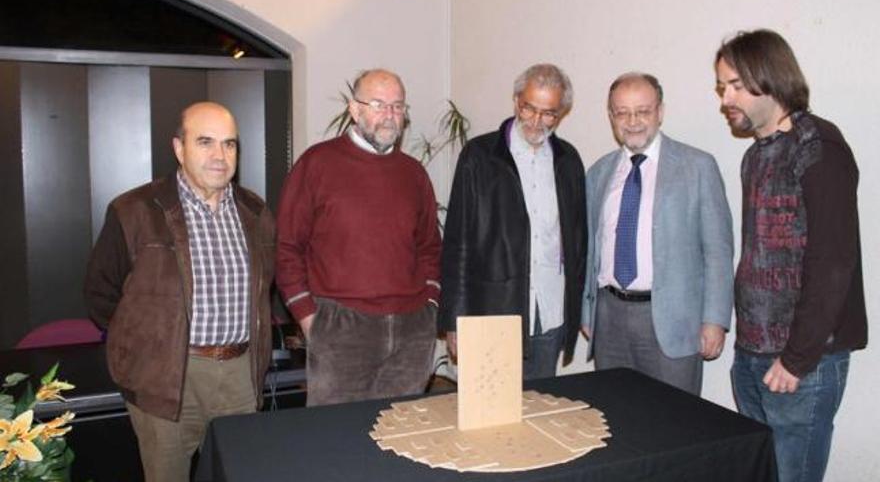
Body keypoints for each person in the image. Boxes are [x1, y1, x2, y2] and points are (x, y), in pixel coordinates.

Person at [84, 102, 275, 481]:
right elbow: (100, 295)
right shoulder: (134, 210)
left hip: (241, 375)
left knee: (237, 474)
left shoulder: (257, 213)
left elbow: (265, 290)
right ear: (178, 148)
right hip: (167, 378)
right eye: (205, 142)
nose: (220, 156)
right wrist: (147, 346)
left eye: (230, 144)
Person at [715, 29, 867, 482]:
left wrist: (796, 359)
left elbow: (832, 263)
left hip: (803, 365)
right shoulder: (755, 156)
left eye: (736, 85)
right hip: (753, 356)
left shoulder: (818, 146)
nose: (725, 97)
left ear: (770, 78)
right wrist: (745, 351)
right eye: (721, 86)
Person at [276, 69, 441, 406]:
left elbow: (429, 247)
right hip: (341, 327)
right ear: (354, 109)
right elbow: (288, 248)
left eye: (397, 107)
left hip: (412, 330)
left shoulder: (414, 174)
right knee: (335, 438)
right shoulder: (316, 164)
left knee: (402, 434)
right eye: (378, 105)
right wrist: (310, 320)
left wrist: (431, 305)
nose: (390, 116)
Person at [580, 73, 734, 395]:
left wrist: (715, 320)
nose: (632, 121)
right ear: (611, 117)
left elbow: (718, 250)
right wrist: (587, 312)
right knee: (616, 417)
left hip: (673, 321)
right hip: (609, 320)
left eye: (643, 111)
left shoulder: (697, 167)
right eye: (622, 112)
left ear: (660, 112)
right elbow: (590, 250)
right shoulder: (598, 173)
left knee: (674, 423)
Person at [440, 63, 586, 380]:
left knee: (541, 408)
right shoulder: (479, 155)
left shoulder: (568, 161)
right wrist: (454, 319)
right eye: (529, 108)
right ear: (516, 101)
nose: (536, 121)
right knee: (491, 417)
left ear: (561, 113)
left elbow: (578, 242)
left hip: (549, 310)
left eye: (548, 113)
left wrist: (577, 311)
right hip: (492, 308)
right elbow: (457, 242)